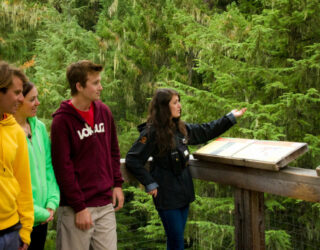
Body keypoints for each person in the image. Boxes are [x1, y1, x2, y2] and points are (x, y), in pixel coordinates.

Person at [125, 88, 246, 250]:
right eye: (175, 103)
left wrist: (230, 118)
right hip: (166, 194)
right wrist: (149, 182)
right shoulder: (152, 132)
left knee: (176, 240)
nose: (179, 106)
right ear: (163, 107)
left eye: (179, 101)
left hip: (184, 191)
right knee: (176, 241)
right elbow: (132, 159)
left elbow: (206, 130)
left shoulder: (180, 128)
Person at [51, 60, 124, 250]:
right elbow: (63, 168)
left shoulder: (104, 112)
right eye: (95, 83)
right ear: (79, 86)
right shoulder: (62, 121)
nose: (100, 87)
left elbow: (113, 151)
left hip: (104, 203)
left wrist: (117, 184)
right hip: (76, 208)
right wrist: (79, 207)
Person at [14, 81, 60, 250]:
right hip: (19, 222)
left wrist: (52, 203)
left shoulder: (39, 128)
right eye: (32, 99)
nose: (38, 103)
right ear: (18, 100)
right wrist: (40, 212)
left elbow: (49, 167)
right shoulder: (7, 134)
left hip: (42, 220)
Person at [0, 61, 34, 250]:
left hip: (13, 233)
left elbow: (23, 183)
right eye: (17, 92)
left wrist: (25, 231)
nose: (21, 99)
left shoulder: (14, 130)